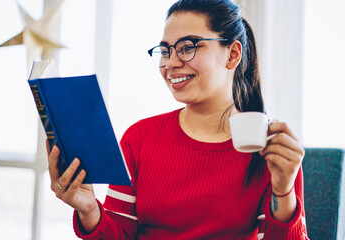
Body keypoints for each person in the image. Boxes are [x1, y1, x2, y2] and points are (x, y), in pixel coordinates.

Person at [47, 0, 308, 239]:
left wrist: (284, 192)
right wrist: (90, 209)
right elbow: (121, 233)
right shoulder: (139, 139)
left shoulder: (271, 150)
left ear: (232, 55)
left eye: (187, 48)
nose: (170, 63)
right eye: (165, 50)